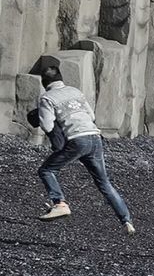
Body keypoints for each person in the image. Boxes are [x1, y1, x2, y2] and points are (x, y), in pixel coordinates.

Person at [36, 66, 135, 234]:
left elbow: (47, 125)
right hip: (95, 137)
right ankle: (126, 220)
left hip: (76, 140)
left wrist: (43, 117)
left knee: (47, 170)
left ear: (44, 82)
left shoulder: (47, 97)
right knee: (104, 182)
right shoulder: (75, 91)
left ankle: (59, 203)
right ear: (61, 78)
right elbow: (92, 116)